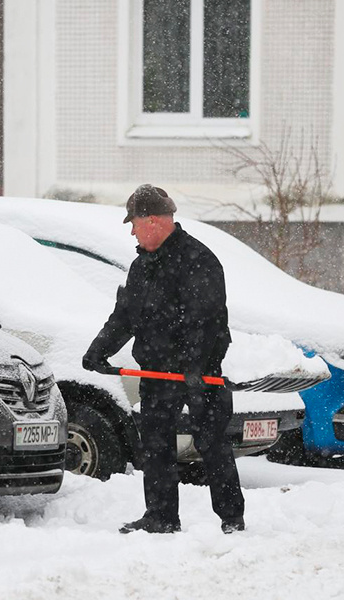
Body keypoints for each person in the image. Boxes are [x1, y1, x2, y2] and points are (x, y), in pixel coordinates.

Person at [81, 184, 246, 534]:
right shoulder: (141, 266)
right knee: (155, 445)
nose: (131, 230)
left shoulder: (198, 260)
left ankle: (232, 518)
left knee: (212, 444)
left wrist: (195, 366)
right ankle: (161, 517)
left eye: (134, 222)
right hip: (157, 372)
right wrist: (99, 349)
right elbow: (124, 316)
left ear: (153, 221)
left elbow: (207, 320)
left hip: (200, 373)